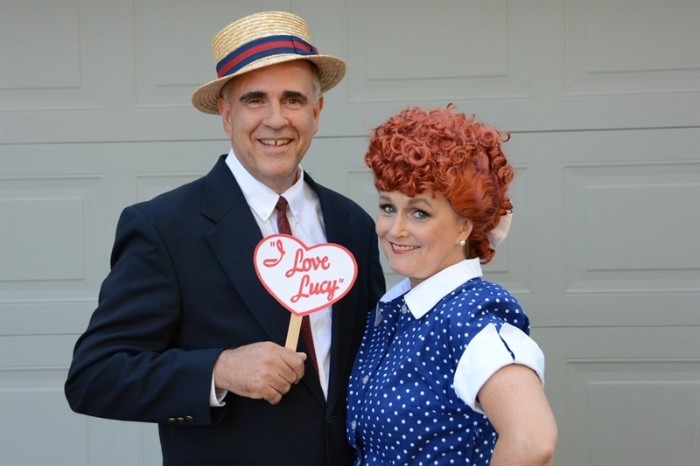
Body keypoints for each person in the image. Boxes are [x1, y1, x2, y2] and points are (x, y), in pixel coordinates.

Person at [65, 11, 385, 466]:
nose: (276, 120)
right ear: (226, 112)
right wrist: (218, 370)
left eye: (293, 99)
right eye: (255, 99)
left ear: (316, 112)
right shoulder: (164, 228)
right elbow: (94, 376)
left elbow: (371, 363)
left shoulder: (351, 224)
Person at [346, 105, 558, 465]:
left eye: (419, 212)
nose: (394, 229)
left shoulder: (471, 315)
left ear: (464, 226)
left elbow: (532, 439)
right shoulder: (396, 311)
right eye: (387, 207)